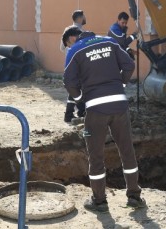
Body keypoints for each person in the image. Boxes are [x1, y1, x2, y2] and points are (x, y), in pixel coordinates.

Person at [62, 25, 146, 212]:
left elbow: (68, 81)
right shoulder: (109, 41)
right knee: (127, 151)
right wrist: (121, 83)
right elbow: (129, 64)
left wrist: (80, 100)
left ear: (76, 38)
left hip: (96, 109)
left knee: (96, 156)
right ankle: (134, 196)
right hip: (119, 105)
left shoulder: (75, 50)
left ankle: (99, 201)